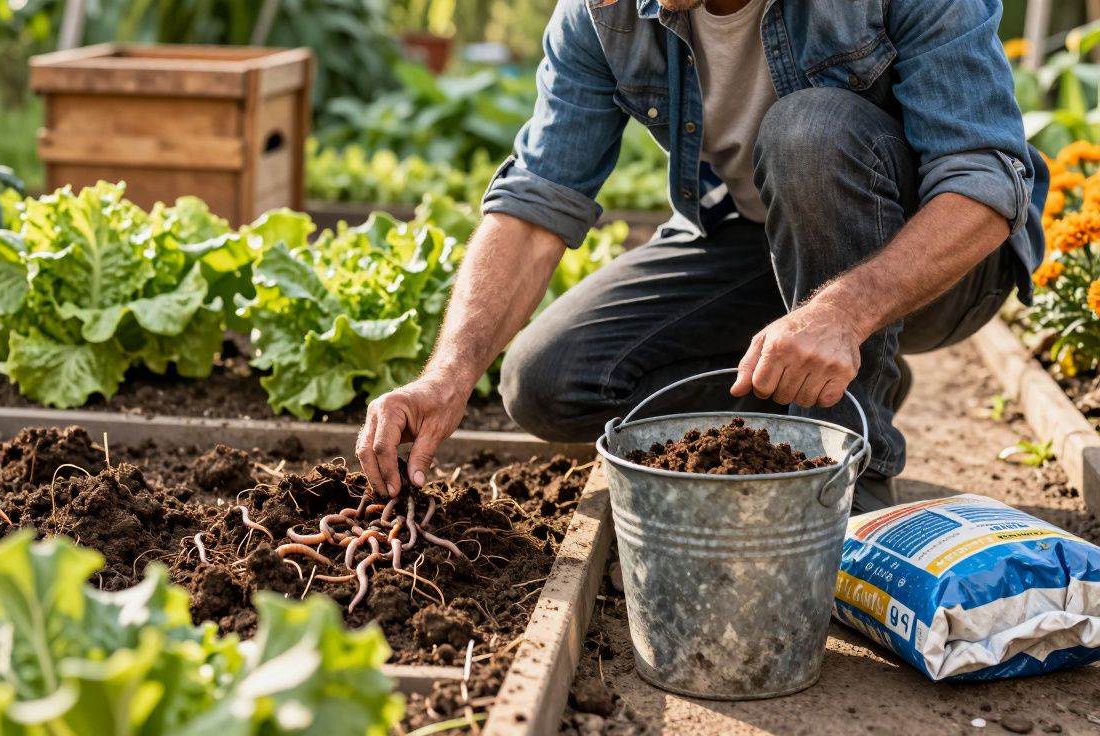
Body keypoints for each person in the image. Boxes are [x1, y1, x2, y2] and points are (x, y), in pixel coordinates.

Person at [355, 0, 1047, 514]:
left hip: (940, 262)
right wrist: (444, 376)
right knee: (547, 382)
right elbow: (537, 204)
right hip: (755, 239)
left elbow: (983, 182)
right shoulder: (606, 14)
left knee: (809, 131)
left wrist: (846, 313)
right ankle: (828, 384)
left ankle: (846, 486)